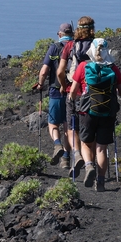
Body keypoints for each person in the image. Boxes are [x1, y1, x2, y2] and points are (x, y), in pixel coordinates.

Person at [69, 38, 121, 191]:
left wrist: (73, 103)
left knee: (86, 143)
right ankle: (100, 182)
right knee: (101, 148)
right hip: (107, 113)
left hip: (87, 111)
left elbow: (73, 92)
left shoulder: (83, 66)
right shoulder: (113, 68)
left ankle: (88, 166)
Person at [57, 16, 96, 173]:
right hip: (94, 92)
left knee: (73, 127)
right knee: (90, 128)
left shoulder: (70, 46)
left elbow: (60, 71)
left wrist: (64, 85)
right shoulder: (97, 44)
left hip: (73, 91)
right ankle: (90, 163)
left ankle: (77, 154)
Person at [35, 23, 73, 169]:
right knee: (68, 126)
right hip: (72, 92)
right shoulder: (76, 47)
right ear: (73, 34)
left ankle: (57, 145)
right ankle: (66, 158)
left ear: (59, 34)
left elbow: (44, 71)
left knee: (53, 123)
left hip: (56, 91)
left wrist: (40, 84)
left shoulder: (54, 48)